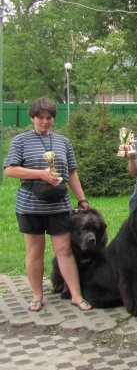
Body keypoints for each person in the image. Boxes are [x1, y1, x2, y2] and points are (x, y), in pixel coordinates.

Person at [3, 97, 93, 312]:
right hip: (30, 205)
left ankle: (76, 295)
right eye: (40, 118)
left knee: (64, 250)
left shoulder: (63, 142)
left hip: (58, 205)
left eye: (49, 117)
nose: (45, 121)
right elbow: (10, 170)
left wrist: (81, 198)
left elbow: (71, 172)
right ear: (32, 118)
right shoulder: (20, 141)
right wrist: (41, 174)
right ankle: (36, 295)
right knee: (35, 252)